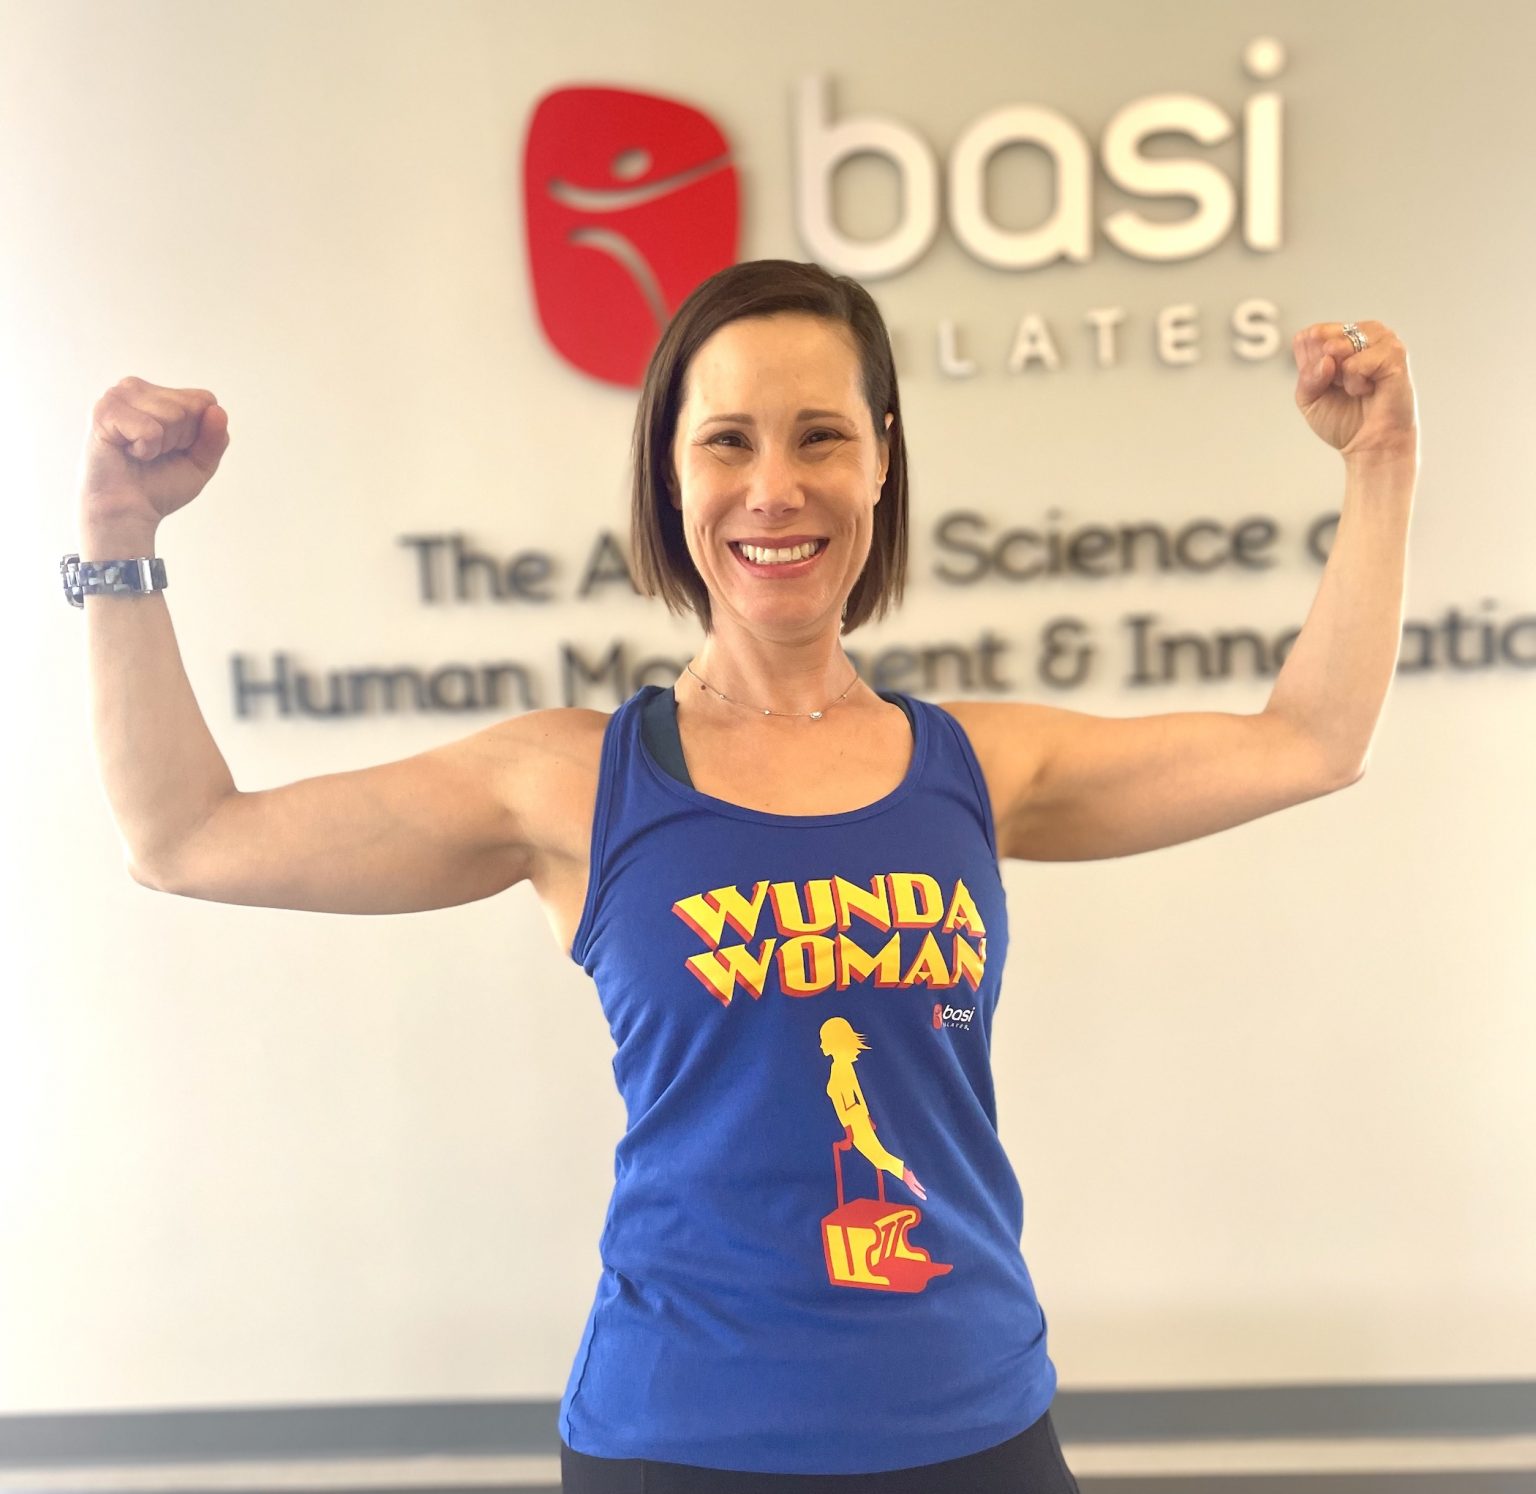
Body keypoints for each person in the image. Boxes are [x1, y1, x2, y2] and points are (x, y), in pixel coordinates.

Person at [73, 259, 1418, 1493]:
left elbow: (1312, 740)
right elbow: (184, 835)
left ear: (881, 460)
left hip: (975, 1429)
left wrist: (1381, 464)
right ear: (673, 475)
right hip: (679, 1443)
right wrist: (118, 535)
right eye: (727, 441)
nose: (775, 487)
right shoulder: (572, 783)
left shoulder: (979, 766)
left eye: (820, 435)